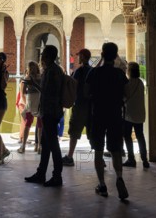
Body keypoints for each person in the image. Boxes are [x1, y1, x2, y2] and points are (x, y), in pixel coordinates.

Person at [85, 42, 129, 200]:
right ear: (116, 55)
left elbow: (86, 92)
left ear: (102, 54)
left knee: (98, 150)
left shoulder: (94, 73)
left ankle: (102, 185)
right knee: (116, 149)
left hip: (98, 114)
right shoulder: (119, 74)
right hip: (115, 114)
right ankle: (118, 177)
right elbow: (127, 94)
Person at [25, 45, 64, 187]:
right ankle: (41, 173)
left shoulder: (51, 71)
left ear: (47, 56)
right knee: (46, 144)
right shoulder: (55, 70)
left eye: (43, 55)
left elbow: (47, 92)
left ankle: (57, 176)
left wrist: (33, 83)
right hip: (52, 111)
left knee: (53, 144)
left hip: (50, 111)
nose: (41, 57)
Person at [62, 48, 92, 166]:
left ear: (83, 57)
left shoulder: (79, 71)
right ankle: (100, 159)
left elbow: (73, 86)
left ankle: (69, 157)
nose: (78, 58)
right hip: (90, 106)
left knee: (74, 132)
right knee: (92, 133)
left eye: (79, 56)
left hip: (80, 105)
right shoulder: (93, 71)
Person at [123, 61, 149, 169]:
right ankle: (144, 160)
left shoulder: (127, 83)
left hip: (129, 114)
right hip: (139, 114)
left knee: (127, 136)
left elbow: (124, 97)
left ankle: (131, 159)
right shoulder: (141, 83)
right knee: (140, 136)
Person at [17, 61, 42, 154]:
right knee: (38, 124)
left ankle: (24, 146)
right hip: (36, 101)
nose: (32, 70)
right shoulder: (40, 77)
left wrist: (25, 101)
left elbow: (23, 92)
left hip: (32, 101)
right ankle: (38, 146)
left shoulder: (27, 78)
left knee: (31, 123)